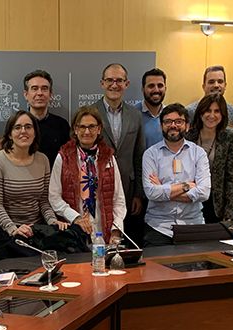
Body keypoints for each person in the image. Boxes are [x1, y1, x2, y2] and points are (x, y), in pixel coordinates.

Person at [0, 110, 71, 259]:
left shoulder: (43, 160)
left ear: (35, 132)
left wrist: (52, 222)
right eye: (17, 127)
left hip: (34, 229)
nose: (23, 131)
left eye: (28, 127)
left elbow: (43, 201)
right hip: (3, 229)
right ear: (10, 134)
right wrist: (13, 229)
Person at [48, 106, 126, 244]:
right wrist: (75, 218)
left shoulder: (108, 158)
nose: (87, 131)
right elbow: (54, 197)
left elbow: (118, 199)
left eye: (91, 127)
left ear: (99, 129)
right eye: (82, 127)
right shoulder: (63, 157)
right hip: (74, 232)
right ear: (75, 129)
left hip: (104, 231)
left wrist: (116, 229)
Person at [143, 103, 211, 246]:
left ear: (187, 126)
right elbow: (151, 193)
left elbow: (204, 193)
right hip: (159, 227)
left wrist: (163, 190)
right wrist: (187, 186)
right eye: (168, 122)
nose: (173, 125)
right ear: (161, 126)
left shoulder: (199, 153)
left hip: (193, 225)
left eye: (178, 121)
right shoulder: (150, 154)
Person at [94, 63, 145, 243]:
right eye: (109, 80)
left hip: (127, 188)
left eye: (119, 80)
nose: (114, 85)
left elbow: (139, 156)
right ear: (102, 83)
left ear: (126, 84)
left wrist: (138, 193)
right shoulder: (90, 113)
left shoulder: (135, 115)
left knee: (125, 240)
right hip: (97, 189)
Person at [184, 93, 233, 223]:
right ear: (200, 112)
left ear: (223, 114)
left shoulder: (229, 137)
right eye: (208, 110)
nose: (212, 115)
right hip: (191, 199)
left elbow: (230, 177)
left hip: (216, 204)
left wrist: (229, 212)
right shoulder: (188, 136)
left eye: (217, 111)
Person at [23, 70, 70, 160]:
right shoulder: (17, 125)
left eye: (44, 89)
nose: (40, 93)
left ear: (50, 94)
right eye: (34, 88)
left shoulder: (62, 125)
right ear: (26, 94)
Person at [138, 68, 166, 148]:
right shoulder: (132, 114)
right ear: (143, 89)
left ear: (165, 88)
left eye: (160, 86)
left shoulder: (170, 115)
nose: (156, 90)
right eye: (151, 86)